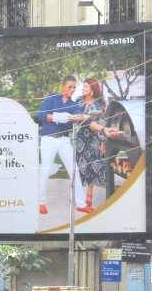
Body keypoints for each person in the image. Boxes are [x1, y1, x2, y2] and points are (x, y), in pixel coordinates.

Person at [36, 75, 86, 216]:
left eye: (74, 87)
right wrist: (62, 117)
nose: (72, 89)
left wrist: (77, 117)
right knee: (45, 171)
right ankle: (41, 202)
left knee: (74, 169)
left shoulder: (74, 104)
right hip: (48, 139)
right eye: (69, 86)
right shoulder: (51, 99)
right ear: (63, 86)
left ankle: (81, 204)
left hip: (64, 140)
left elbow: (78, 117)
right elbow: (41, 115)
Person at [74, 78, 121, 214]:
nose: (83, 89)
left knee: (92, 167)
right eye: (83, 86)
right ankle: (82, 198)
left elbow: (102, 123)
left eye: (86, 87)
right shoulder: (78, 101)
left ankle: (89, 198)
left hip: (94, 138)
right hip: (80, 138)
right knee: (81, 167)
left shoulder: (99, 104)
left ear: (93, 89)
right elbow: (75, 118)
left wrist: (103, 141)